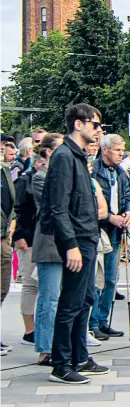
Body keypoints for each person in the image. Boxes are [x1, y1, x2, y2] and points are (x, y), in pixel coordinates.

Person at [40, 103, 110, 383]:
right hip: (77, 239)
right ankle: (61, 363)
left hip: (87, 235)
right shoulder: (64, 156)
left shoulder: (78, 156)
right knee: (70, 301)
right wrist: (69, 244)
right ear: (78, 124)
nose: (98, 131)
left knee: (85, 299)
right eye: (95, 125)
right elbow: (57, 207)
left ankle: (79, 355)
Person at [89, 134, 130, 341]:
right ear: (105, 149)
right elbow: (90, 204)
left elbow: (127, 197)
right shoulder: (94, 171)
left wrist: (129, 213)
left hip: (116, 232)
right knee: (97, 278)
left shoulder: (120, 173)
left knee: (110, 278)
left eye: (122, 150)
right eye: (117, 150)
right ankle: (92, 322)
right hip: (99, 231)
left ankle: (102, 319)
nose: (121, 154)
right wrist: (110, 217)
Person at [31, 133, 64, 365]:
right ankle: (45, 348)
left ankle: (62, 345)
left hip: (68, 242)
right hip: (50, 242)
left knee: (66, 298)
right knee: (49, 297)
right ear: (50, 152)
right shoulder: (40, 177)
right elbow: (57, 203)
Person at [13, 145, 43, 346]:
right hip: (28, 237)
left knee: (41, 286)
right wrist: (19, 235)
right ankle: (29, 329)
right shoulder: (25, 180)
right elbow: (17, 209)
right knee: (30, 285)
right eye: (40, 161)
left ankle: (38, 327)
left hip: (42, 238)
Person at [1, 139, 16, 356]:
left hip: (4, 237)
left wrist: (12, 225)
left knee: (2, 288)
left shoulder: (5, 172)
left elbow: (11, 204)